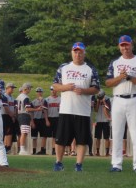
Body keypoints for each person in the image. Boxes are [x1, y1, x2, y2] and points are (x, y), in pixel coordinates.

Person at [52, 42, 100, 172]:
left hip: (83, 111)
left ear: (84, 53)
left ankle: (79, 165)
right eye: (75, 51)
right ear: (71, 52)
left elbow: (96, 88)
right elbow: (55, 85)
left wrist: (83, 91)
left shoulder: (90, 69)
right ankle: (58, 162)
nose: (77, 54)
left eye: (80, 52)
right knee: (61, 139)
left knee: (82, 140)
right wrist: (66, 87)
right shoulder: (64, 67)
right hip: (66, 109)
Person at [104, 35, 136, 172]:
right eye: (122, 45)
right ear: (119, 47)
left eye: (127, 45)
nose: (125, 47)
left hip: (134, 98)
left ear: (131, 45)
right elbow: (108, 82)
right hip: (118, 99)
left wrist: (128, 77)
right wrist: (120, 77)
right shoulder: (115, 62)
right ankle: (116, 164)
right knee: (117, 133)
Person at [92, 90, 111, 158]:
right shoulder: (96, 100)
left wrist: (104, 102)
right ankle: (97, 152)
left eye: (101, 97)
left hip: (106, 121)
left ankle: (107, 152)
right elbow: (96, 110)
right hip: (98, 121)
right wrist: (97, 102)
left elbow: (108, 108)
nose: (100, 98)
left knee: (106, 137)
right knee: (98, 137)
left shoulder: (107, 99)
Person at [43, 84, 60, 156]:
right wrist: (46, 120)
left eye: (54, 90)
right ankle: (43, 149)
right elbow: (45, 111)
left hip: (57, 118)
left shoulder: (60, 99)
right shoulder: (47, 99)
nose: (53, 91)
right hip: (49, 118)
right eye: (51, 90)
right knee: (45, 135)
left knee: (55, 136)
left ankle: (54, 150)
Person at [30, 87, 47, 154]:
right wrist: (32, 121)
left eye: (40, 92)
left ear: (42, 92)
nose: (39, 93)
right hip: (35, 119)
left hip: (42, 119)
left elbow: (45, 111)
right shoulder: (33, 102)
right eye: (38, 92)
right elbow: (31, 112)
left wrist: (46, 120)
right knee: (34, 137)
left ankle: (43, 150)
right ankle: (34, 151)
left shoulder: (45, 101)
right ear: (36, 93)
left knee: (43, 135)